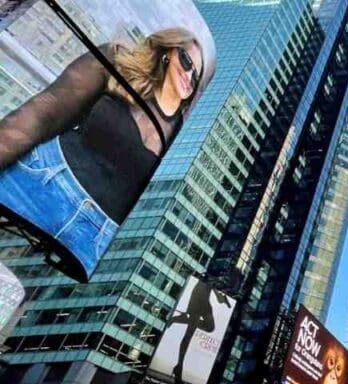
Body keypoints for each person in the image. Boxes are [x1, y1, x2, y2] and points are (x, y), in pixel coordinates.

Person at [0, 29, 206, 281]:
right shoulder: (117, 63)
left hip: (92, 237)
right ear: (167, 52)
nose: (188, 76)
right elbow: (43, 114)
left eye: (195, 76)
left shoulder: (180, 135)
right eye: (186, 62)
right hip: (42, 180)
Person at [164, 281, 231, 384]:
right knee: (188, 336)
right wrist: (223, 298)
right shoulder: (211, 278)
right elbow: (217, 295)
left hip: (203, 302)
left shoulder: (213, 280)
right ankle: (179, 368)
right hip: (197, 302)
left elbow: (217, 294)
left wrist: (222, 298)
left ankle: (179, 319)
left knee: (210, 327)